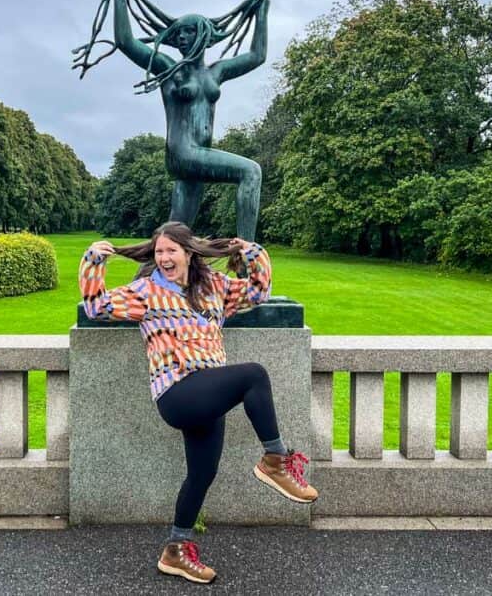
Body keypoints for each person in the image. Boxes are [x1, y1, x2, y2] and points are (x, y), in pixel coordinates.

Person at [78, 221, 317, 585]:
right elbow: (95, 307)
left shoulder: (214, 288)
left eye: (171, 250)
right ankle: (275, 460)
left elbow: (258, 291)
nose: (163, 257)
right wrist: (94, 259)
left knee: (202, 474)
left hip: (209, 394)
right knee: (253, 375)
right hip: (177, 393)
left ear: (189, 253)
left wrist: (251, 251)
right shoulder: (146, 292)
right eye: (159, 251)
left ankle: (175, 550)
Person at [73, 0, 268, 241]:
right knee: (251, 171)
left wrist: (262, 11)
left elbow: (257, 55)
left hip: (197, 158)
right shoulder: (170, 70)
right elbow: (126, 42)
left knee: (174, 235)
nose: (182, 38)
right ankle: (249, 255)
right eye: (179, 34)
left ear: (203, 35)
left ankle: (145, 278)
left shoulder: (217, 72)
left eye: (188, 32)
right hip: (183, 154)